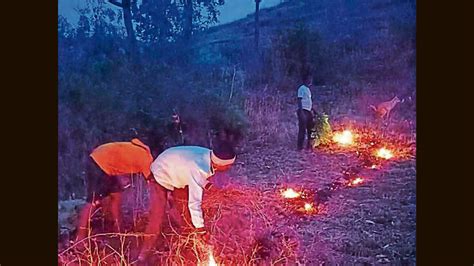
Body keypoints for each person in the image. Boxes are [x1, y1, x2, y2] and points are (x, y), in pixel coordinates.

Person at [138, 140, 236, 261]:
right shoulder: (199, 167)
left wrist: (205, 184)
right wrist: (201, 229)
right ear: (221, 164)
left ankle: (188, 245)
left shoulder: (209, 156)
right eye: (228, 165)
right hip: (160, 173)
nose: (230, 167)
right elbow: (195, 203)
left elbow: (192, 173)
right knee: (157, 217)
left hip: (176, 171)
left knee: (186, 214)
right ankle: (143, 256)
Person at [74, 138, 154, 243]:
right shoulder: (146, 161)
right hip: (99, 162)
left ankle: (119, 231)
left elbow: (124, 157)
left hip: (106, 161)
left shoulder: (145, 153)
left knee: (116, 196)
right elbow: (154, 187)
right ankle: (80, 239)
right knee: (93, 202)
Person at [297, 72, 315, 150]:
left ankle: (309, 146)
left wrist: (313, 110)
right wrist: (301, 112)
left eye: (311, 79)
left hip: (308, 111)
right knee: (302, 130)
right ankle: (299, 147)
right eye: (309, 79)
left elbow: (308, 101)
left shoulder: (308, 89)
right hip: (303, 111)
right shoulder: (302, 88)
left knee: (310, 129)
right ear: (306, 80)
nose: (311, 80)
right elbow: (299, 100)